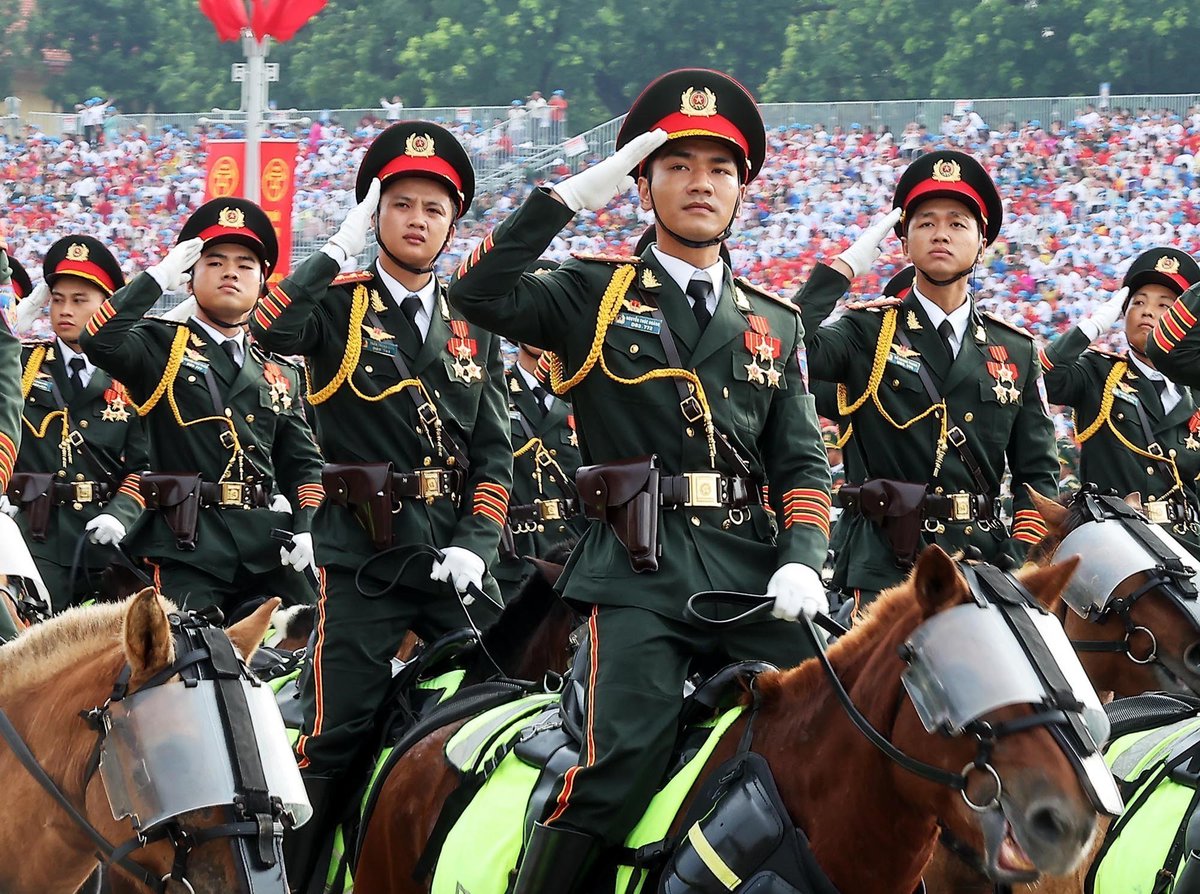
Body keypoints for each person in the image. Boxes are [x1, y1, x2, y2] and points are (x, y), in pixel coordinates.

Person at [449, 68, 832, 891]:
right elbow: (475, 291)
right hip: (634, 578)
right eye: (678, 166)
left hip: (751, 574)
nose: (702, 184)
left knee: (856, 716)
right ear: (643, 183)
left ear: (743, 189)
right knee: (618, 761)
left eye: (721, 170)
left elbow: (800, 461)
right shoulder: (590, 292)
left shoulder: (775, 320)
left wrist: (803, 555)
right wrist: (562, 202)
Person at [247, 121, 512, 891]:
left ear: (453, 224)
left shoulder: (471, 323)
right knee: (335, 736)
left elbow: (494, 452)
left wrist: (478, 543)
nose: (418, 219)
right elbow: (266, 328)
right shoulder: (336, 307)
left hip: (453, 559)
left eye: (434, 207)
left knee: (516, 696)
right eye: (399, 204)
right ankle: (289, 881)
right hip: (363, 559)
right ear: (378, 216)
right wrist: (338, 244)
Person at [796, 150, 1058, 618]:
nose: (940, 234)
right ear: (902, 243)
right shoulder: (865, 332)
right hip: (883, 566)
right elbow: (787, 348)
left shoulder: (1015, 350)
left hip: (982, 563)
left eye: (958, 223)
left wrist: (1019, 560)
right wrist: (845, 268)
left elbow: (1037, 476)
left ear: (982, 244)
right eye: (925, 222)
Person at [79, 198, 323, 615]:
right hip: (186, 547)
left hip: (268, 547)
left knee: (317, 646)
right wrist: (157, 277)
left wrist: (306, 527)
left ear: (263, 282)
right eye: (214, 262)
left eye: (246, 264)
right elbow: (98, 338)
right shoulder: (158, 345)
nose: (231, 272)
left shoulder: (278, 370)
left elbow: (303, 465)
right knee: (188, 665)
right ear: (190, 278)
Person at [4, 238, 149, 610]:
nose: (65, 310)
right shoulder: (22, 364)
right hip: (37, 539)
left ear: (108, 307)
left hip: (109, 542)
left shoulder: (135, 375)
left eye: (80, 300)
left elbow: (144, 465)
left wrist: (120, 515)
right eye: (57, 299)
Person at [1043, 248, 1200, 553]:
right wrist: (1091, 327)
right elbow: (1043, 380)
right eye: (1137, 302)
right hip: (1117, 544)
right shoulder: (1098, 373)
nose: (1148, 311)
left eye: (1165, 305)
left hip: (1189, 545)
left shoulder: (1194, 392)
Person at [496, 260, 586, 602]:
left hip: (576, 556)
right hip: (512, 558)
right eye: (534, 313)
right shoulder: (492, 394)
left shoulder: (586, 397)